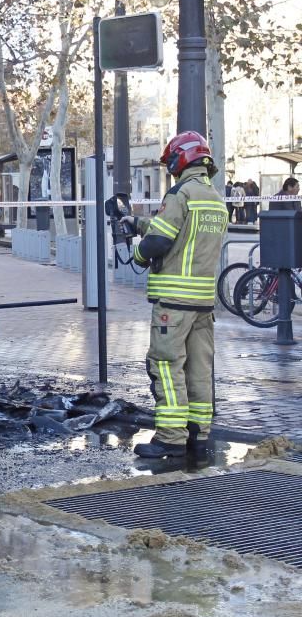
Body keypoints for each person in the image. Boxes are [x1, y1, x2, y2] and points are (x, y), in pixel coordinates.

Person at [122, 131, 228, 459]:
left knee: (166, 366)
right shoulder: (214, 198)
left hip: (173, 304)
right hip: (202, 304)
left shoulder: (180, 193)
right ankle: (198, 433)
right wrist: (138, 223)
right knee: (199, 368)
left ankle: (170, 438)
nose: (171, 168)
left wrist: (138, 255)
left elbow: (159, 242)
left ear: (181, 158)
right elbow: (178, 232)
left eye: (171, 162)